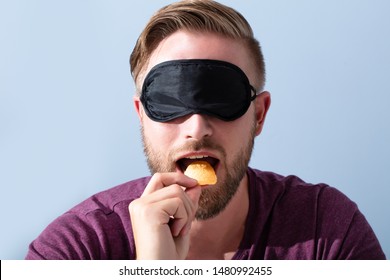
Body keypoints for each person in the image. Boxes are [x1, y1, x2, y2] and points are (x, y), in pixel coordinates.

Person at [26, 0, 385, 260]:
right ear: (141, 115)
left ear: (259, 115)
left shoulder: (328, 234)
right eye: (169, 101)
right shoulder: (73, 251)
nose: (197, 128)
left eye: (222, 99)